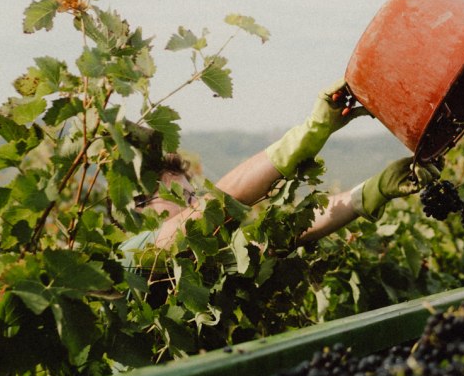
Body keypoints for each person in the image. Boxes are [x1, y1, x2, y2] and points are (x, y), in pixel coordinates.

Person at [122, 80, 440, 260]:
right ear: (137, 207)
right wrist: (310, 133)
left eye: (192, 194)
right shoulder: (130, 256)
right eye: (178, 195)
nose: (192, 202)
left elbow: (282, 236)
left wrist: (371, 191)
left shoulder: (211, 255)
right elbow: (218, 203)